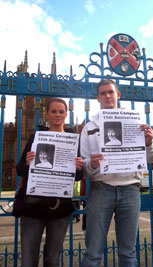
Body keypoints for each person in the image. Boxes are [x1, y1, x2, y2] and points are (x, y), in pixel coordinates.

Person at [80, 79, 153, 267]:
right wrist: (91, 164)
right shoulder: (89, 127)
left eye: (110, 92)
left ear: (118, 95)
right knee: (92, 253)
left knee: (128, 253)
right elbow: (83, 166)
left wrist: (149, 143)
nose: (107, 96)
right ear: (97, 98)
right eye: (103, 93)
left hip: (130, 190)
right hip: (101, 189)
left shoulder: (136, 123)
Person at [12, 98, 84, 267]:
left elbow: (78, 177)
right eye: (54, 111)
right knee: (28, 260)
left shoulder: (73, 140)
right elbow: (20, 169)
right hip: (32, 207)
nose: (57, 115)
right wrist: (27, 164)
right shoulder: (35, 137)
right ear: (47, 114)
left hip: (60, 208)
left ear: (66, 114)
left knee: (53, 259)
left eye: (61, 111)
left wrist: (79, 168)